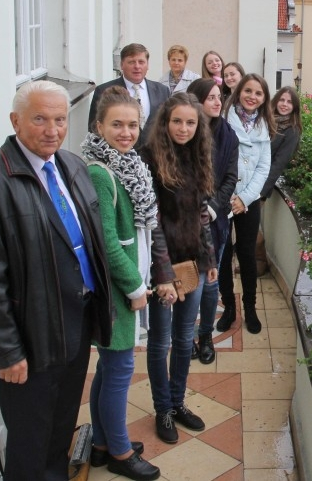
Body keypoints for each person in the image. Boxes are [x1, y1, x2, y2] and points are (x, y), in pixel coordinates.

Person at [0, 80, 112, 481]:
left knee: (60, 431)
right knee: (29, 442)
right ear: (15, 121)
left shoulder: (72, 166)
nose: (52, 130)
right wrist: (7, 352)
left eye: (60, 119)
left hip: (76, 326)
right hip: (31, 340)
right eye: (40, 119)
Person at [80, 87, 161, 480]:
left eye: (132, 125)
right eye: (117, 124)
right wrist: (134, 288)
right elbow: (107, 243)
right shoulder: (101, 172)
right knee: (119, 371)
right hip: (117, 291)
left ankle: (100, 443)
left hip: (122, 285)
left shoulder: (127, 163)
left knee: (110, 368)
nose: (126, 132)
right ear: (99, 126)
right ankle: (120, 452)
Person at [140, 93, 219, 444]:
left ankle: (177, 401)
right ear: (164, 122)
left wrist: (211, 258)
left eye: (190, 122)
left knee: (185, 337)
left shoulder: (198, 156)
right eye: (177, 121)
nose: (184, 128)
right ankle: (163, 410)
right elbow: (152, 223)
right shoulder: (149, 160)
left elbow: (202, 214)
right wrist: (163, 273)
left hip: (195, 264)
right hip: (164, 268)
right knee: (160, 341)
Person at [187, 78, 239, 364]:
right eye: (211, 98)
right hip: (184, 222)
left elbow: (231, 176)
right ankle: (185, 337)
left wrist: (215, 208)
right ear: (197, 101)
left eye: (219, 97)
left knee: (209, 285)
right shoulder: (185, 133)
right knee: (186, 283)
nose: (218, 102)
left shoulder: (229, 135)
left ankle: (205, 336)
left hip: (216, 224)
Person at [218, 74, 273, 334]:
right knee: (223, 255)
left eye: (258, 93)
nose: (252, 96)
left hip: (248, 201)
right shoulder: (223, 119)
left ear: (264, 98)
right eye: (248, 91)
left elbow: (264, 168)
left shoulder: (264, 125)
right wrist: (229, 197)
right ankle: (229, 306)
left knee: (248, 255)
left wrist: (245, 198)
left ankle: (250, 307)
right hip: (224, 198)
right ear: (239, 91)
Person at [88, 42, 170, 147]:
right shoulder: (104, 91)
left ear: (147, 65)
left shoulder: (162, 91)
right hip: (118, 157)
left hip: (154, 158)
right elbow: (94, 129)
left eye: (141, 62)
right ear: (122, 65)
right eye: (131, 62)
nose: (137, 66)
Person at [260, 86, 302, 201]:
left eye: (289, 102)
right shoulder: (265, 120)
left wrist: (261, 192)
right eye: (282, 100)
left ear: (294, 107)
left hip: (261, 184)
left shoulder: (292, 130)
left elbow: (279, 164)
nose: (284, 104)